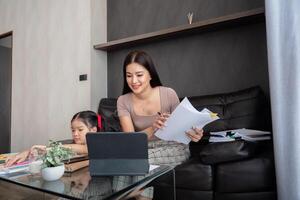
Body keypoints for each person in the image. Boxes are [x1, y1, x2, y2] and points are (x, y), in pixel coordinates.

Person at [117, 50, 203, 200]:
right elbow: (129, 142)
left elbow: (184, 130)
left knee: (137, 163)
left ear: (150, 74)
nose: (134, 81)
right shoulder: (123, 101)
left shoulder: (168, 94)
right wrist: (152, 128)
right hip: (142, 150)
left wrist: (195, 133)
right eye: (129, 76)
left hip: (173, 147)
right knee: (125, 161)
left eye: (139, 75)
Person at [5, 110, 101, 167]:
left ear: (93, 130)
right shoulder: (70, 142)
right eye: (72, 130)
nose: (75, 134)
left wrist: (37, 150)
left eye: (80, 130)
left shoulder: (98, 145)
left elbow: (85, 149)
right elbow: (52, 147)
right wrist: (28, 152)